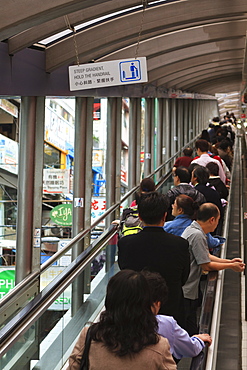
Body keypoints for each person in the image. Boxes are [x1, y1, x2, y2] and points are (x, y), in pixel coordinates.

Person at [67, 270, 176, 370]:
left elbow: (74, 366)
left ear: (110, 301)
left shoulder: (90, 336)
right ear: (145, 303)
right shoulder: (159, 347)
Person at [118, 191, 190, 326]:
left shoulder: (126, 243)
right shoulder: (180, 244)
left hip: (134, 310)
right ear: (165, 215)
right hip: (171, 309)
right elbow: (183, 278)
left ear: (139, 216)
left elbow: (124, 272)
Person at [181, 203, 245, 336]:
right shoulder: (197, 235)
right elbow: (206, 265)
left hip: (187, 289)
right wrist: (231, 266)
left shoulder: (193, 230)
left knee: (191, 329)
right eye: (218, 219)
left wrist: (230, 261)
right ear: (212, 219)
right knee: (187, 330)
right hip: (186, 291)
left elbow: (206, 256)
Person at [142, 270, 212, 361]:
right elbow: (190, 349)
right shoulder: (164, 324)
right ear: (156, 304)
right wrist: (198, 339)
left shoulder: (118, 323)